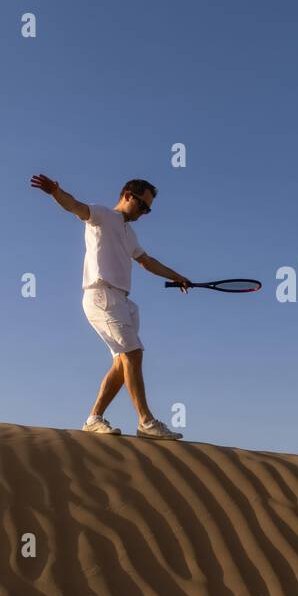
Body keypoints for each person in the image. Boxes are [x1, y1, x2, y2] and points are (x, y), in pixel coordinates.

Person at [30, 174, 190, 440]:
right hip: (100, 294)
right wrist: (56, 192)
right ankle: (146, 422)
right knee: (134, 353)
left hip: (123, 301)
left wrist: (176, 276)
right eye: (142, 206)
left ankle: (94, 418)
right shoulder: (102, 215)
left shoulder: (130, 233)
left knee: (121, 362)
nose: (144, 213)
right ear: (128, 195)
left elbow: (147, 261)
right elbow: (75, 206)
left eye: (148, 209)